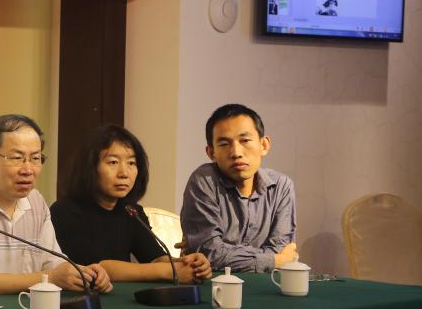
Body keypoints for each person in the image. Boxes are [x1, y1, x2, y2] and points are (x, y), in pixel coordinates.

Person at [0, 114, 112, 298]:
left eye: (35, 158)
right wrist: (49, 278)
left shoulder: (36, 202)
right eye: (17, 158)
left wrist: (84, 274)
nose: (28, 170)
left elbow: (53, 264)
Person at [51, 124, 212, 283]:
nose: (124, 173)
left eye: (131, 163)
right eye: (113, 162)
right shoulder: (65, 212)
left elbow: (155, 258)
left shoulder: (131, 211)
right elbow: (99, 267)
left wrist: (188, 263)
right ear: (90, 167)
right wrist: (173, 271)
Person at [180, 103, 297, 273]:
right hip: (213, 284)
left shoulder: (281, 186)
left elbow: (281, 248)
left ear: (263, 145)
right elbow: (210, 253)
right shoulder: (204, 180)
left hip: (265, 284)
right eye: (224, 144)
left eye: (245, 140)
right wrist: (275, 260)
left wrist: (226, 253)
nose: (236, 152)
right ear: (211, 153)